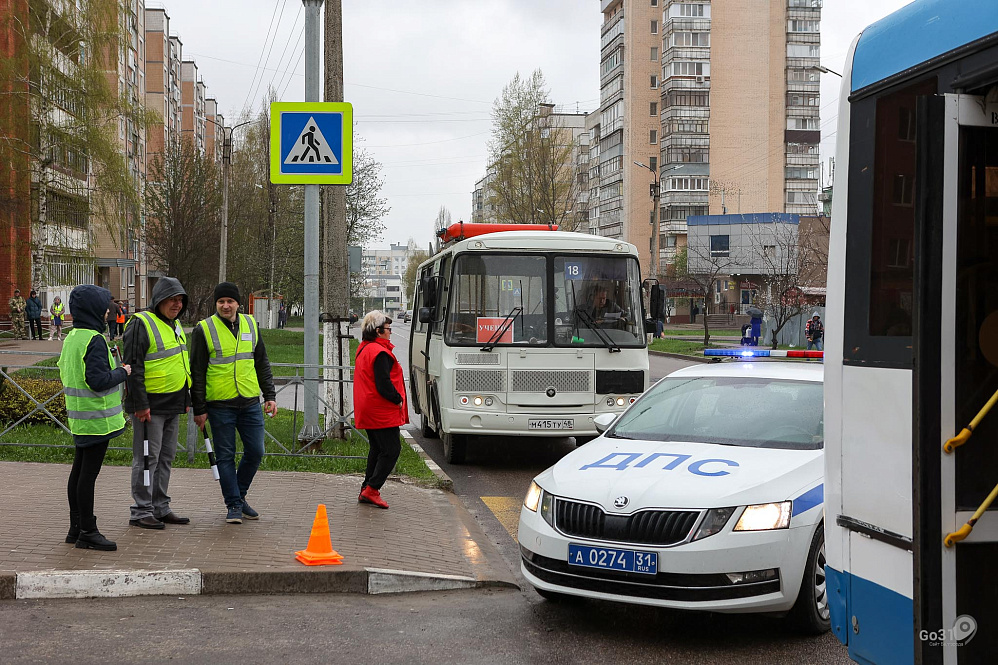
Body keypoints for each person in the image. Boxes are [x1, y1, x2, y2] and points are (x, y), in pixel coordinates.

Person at [190, 282, 277, 524]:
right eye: (221, 302)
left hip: (249, 401)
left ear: (238, 303)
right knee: (225, 456)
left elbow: (262, 362)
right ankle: (233, 505)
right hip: (220, 405)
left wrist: (270, 395)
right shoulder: (204, 329)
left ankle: (239, 496)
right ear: (215, 304)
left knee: (256, 451)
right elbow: (196, 372)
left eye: (230, 301)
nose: (226, 306)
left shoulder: (250, 324)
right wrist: (200, 409)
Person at [58, 285, 131, 551]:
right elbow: (98, 381)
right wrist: (123, 371)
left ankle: (75, 528)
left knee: (78, 473)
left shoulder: (72, 337)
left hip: (80, 417)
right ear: (93, 309)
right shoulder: (95, 340)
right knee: (87, 476)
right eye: (103, 307)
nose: (106, 312)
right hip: (98, 419)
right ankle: (88, 530)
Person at [123, 278, 191, 529]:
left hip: (173, 403)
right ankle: (141, 510)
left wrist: (185, 398)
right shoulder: (141, 324)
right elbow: (133, 367)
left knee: (165, 458)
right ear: (159, 300)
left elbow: (180, 363)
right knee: (146, 458)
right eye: (172, 299)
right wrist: (140, 404)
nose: (177, 304)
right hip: (149, 407)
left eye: (180, 299)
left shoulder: (175, 325)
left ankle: (160, 506)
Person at [353, 310, 408, 509]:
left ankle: (366, 488)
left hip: (369, 407)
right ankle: (372, 489)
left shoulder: (365, 348)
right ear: (378, 331)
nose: (390, 332)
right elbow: (383, 383)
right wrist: (397, 399)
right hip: (381, 410)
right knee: (392, 450)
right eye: (388, 329)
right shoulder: (380, 352)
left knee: (377, 449)